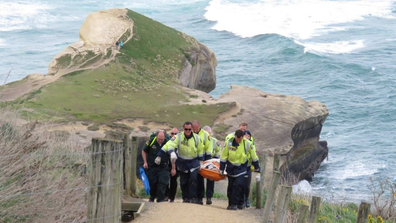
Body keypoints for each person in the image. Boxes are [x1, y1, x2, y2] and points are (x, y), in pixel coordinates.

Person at [156, 121, 204, 204]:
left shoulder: (197, 138)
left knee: (193, 179)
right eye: (186, 129)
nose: (188, 131)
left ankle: (193, 197)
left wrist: (201, 162)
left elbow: (200, 149)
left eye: (189, 129)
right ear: (183, 129)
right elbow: (169, 144)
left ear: (192, 129)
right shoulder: (178, 137)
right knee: (183, 181)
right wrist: (161, 155)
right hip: (182, 162)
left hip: (193, 161)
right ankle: (185, 198)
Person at [220, 130, 260, 210]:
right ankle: (230, 203)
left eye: (239, 139)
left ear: (242, 137)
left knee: (237, 185)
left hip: (241, 169)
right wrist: (221, 169)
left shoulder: (247, 143)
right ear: (235, 136)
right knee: (230, 186)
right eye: (237, 138)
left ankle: (235, 204)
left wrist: (257, 167)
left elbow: (254, 156)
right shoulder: (229, 143)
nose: (238, 140)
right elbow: (224, 156)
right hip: (231, 168)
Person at [142, 130, 170, 202]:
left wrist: (173, 168)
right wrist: (145, 162)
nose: (160, 141)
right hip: (152, 166)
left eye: (162, 139)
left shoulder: (168, 142)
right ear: (156, 137)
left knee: (162, 182)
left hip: (163, 166)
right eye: (159, 139)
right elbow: (144, 151)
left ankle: (160, 200)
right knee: (153, 182)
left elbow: (172, 155)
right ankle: (152, 197)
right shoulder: (151, 141)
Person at [192, 120, 211, 205]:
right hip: (192, 158)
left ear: (200, 126)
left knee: (200, 179)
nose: (195, 131)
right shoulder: (190, 133)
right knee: (193, 178)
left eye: (196, 129)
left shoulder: (206, 135)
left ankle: (200, 198)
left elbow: (208, 149)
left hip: (201, 159)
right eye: (194, 129)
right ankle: (193, 196)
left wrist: (207, 161)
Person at [202, 125, 221, 205]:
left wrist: (215, 161)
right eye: (206, 133)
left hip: (211, 160)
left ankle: (209, 197)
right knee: (199, 178)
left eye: (209, 133)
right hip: (202, 159)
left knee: (211, 178)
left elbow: (218, 150)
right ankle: (199, 196)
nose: (207, 135)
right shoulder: (200, 140)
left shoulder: (215, 141)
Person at [243, 130, 258, 208]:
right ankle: (241, 199)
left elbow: (254, 155)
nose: (247, 137)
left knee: (247, 185)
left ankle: (246, 198)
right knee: (239, 184)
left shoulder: (252, 145)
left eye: (248, 136)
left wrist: (256, 166)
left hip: (248, 167)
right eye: (245, 135)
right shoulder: (240, 143)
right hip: (240, 166)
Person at [165, 127, 179, 202]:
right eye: (172, 133)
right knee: (166, 180)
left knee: (173, 180)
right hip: (167, 163)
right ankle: (166, 195)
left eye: (175, 134)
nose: (173, 135)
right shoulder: (168, 142)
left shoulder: (179, 142)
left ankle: (172, 197)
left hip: (176, 164)